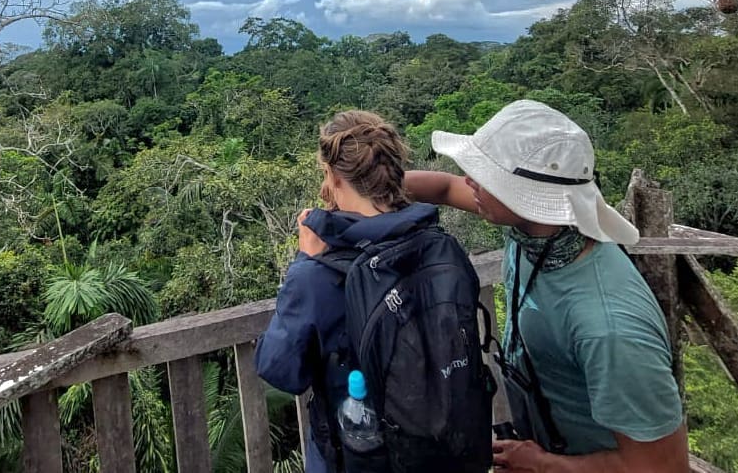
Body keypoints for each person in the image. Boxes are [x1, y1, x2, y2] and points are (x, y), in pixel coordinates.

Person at [405, 99, 689, 473]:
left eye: (486, 176)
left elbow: (663, 467)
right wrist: (357, 189)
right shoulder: (536, 229)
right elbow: (442, 188)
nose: (470, 180)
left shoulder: (609, 327)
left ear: (527, 197)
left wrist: (542, 463)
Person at [255, 110, 491, 473]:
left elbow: (280, 370)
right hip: (443, 447)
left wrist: (304, 261)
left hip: (362, 456)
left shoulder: (319, 274)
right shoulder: (437, 246)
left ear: (332, 176)